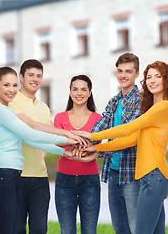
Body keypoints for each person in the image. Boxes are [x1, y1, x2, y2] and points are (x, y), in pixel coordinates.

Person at [73, 61, 168, 234]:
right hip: (150, 178)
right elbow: (131, 139)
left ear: (167, 80)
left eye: (158, 76)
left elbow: (128, 128)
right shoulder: (153, 110)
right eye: (149, 77)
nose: (152, 81)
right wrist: (97, 149)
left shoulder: (164, 107)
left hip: (155, 177)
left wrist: (91, 136)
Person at [0, 66, 76, 234]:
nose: (12, 90)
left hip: (9, 175)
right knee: (6, 230)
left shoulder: (6, 109)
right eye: (6, 85)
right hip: (1, 175)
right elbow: (31, 134)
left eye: (14, 85)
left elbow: (27, 140)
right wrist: (68, 139)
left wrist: (64, 151)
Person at [8, 59, 87, 234]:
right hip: (17, 175)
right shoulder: (12, 103)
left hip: (40, 178)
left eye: (39, 76)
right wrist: (67, 135)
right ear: (21, 77)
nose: (35, 79)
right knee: (16, 228)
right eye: (31, 75)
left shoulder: (43, 108)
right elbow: (30, 129)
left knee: (40, 229)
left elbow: (50, 136)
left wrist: (73, 145)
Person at [78, 53, 142, 234]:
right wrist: (81, 143)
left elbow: (127, 137)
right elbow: (100, 127)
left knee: (135, 226)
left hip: (132, 173)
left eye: (128, 71)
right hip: (113, 172)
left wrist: (97, 150)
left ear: (137, 74)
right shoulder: (114, 101)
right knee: (119, 227)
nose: (123, 75)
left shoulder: (142, 101)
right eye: (120, 71)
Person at [53, 75, 102, 234]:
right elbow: (58, 141)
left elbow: (98, 145)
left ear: (89, 93)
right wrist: (83, 138)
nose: (79, 93)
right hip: (64, 180)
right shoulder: (60, 117)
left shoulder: (98, 119)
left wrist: (70, 137)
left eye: (83, 89)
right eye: (75, 89)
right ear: (70, 92)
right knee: (67, 231)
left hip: (90, 181)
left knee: (89, 231)